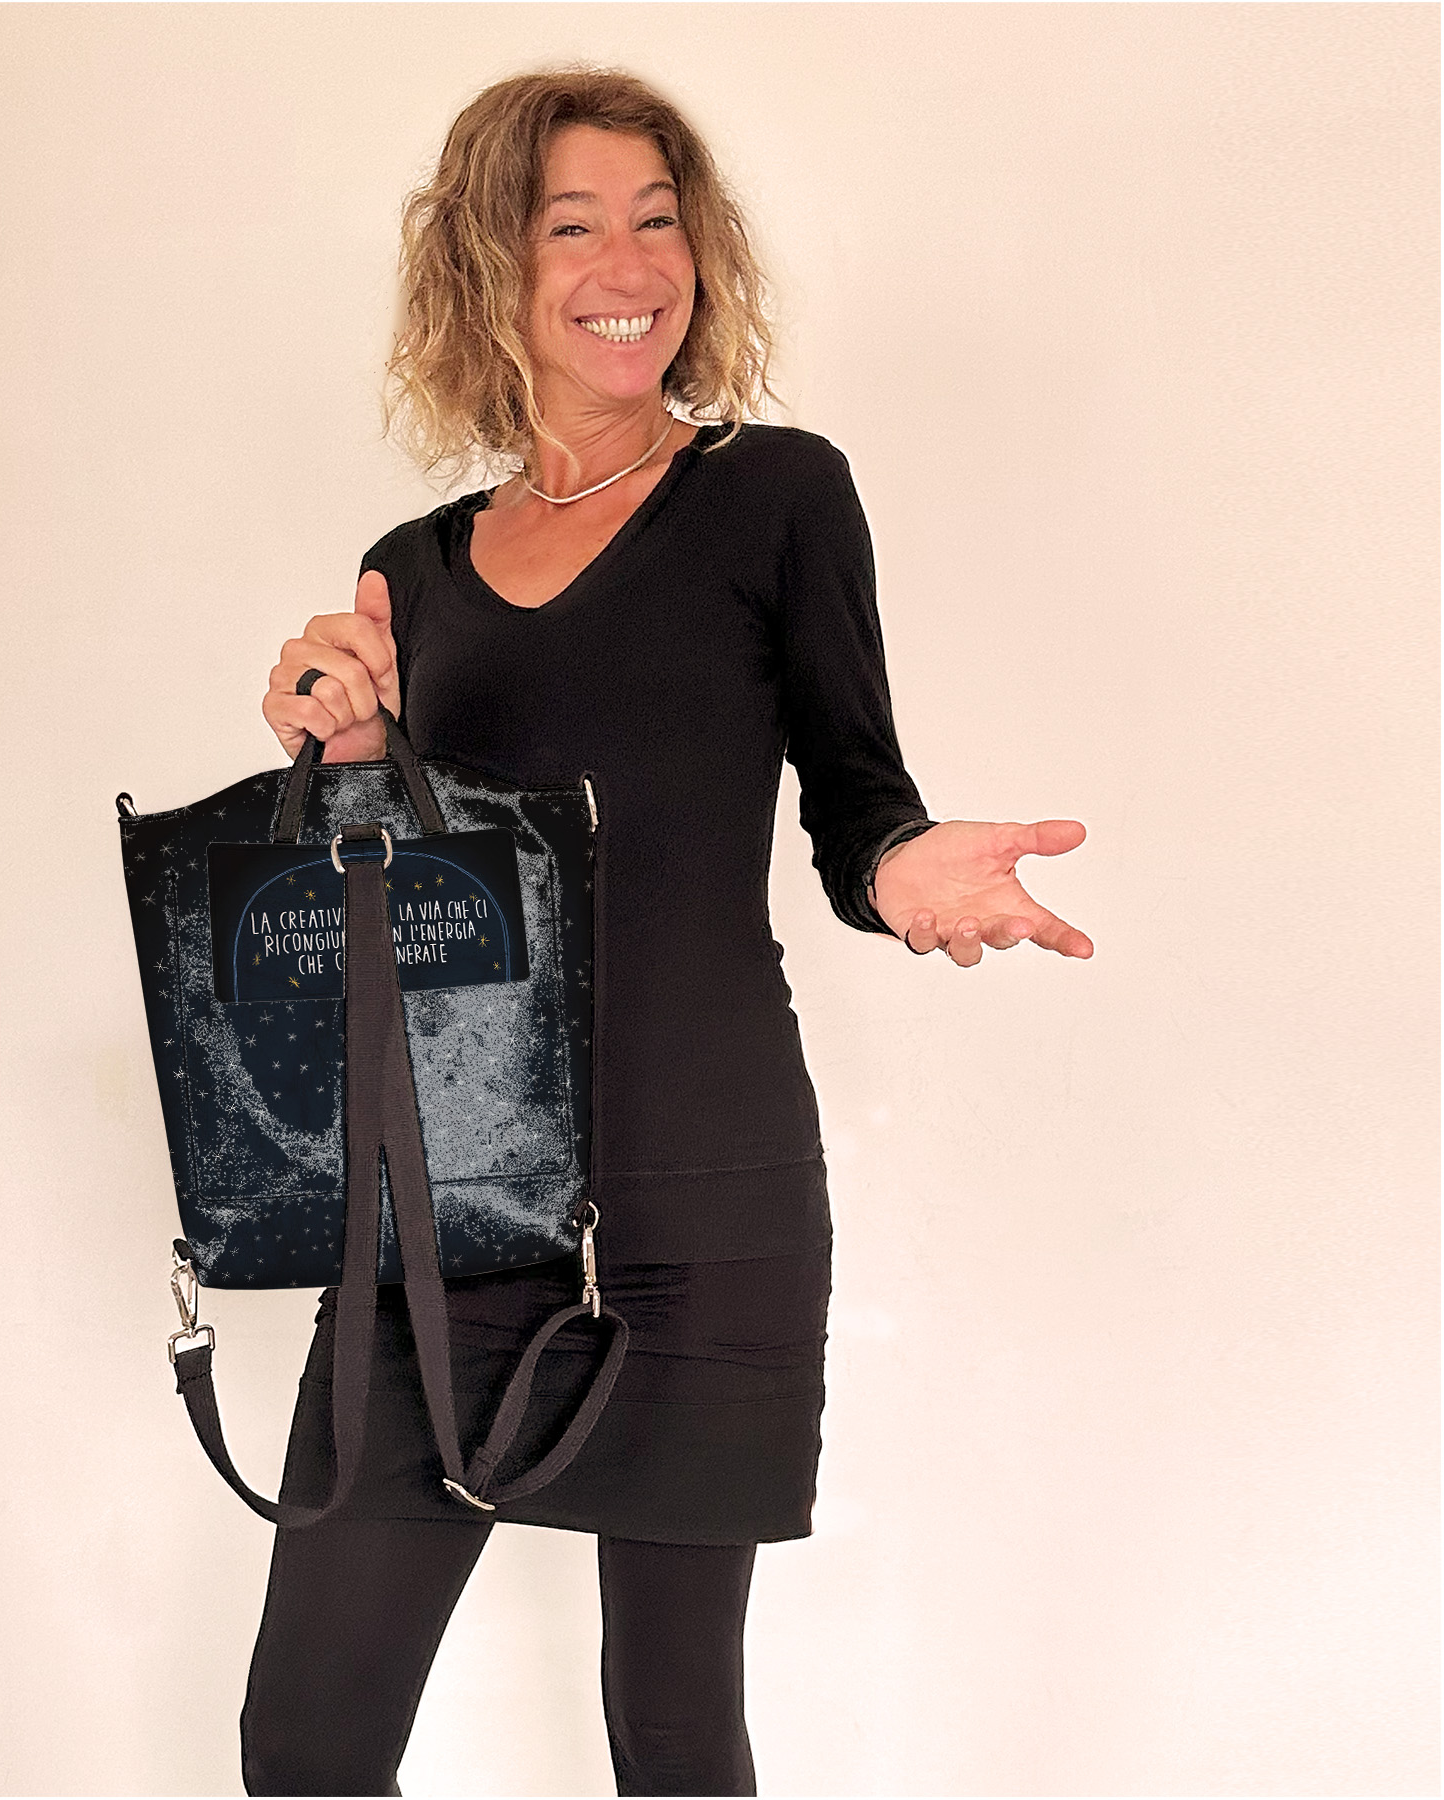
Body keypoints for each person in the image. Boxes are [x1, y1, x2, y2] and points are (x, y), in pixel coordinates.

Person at [249, 66, 1092, 1798]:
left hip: (703, 1196)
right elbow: (397, 922)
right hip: (452, 1206)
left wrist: (900, 871)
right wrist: (348, 758)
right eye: (572, 226)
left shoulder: (777, 493)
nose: (629, 265)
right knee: (308, 1744)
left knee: (676, 1736)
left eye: (658, 220)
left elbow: (858, 798)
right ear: (491, 267)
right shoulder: (411, 565)